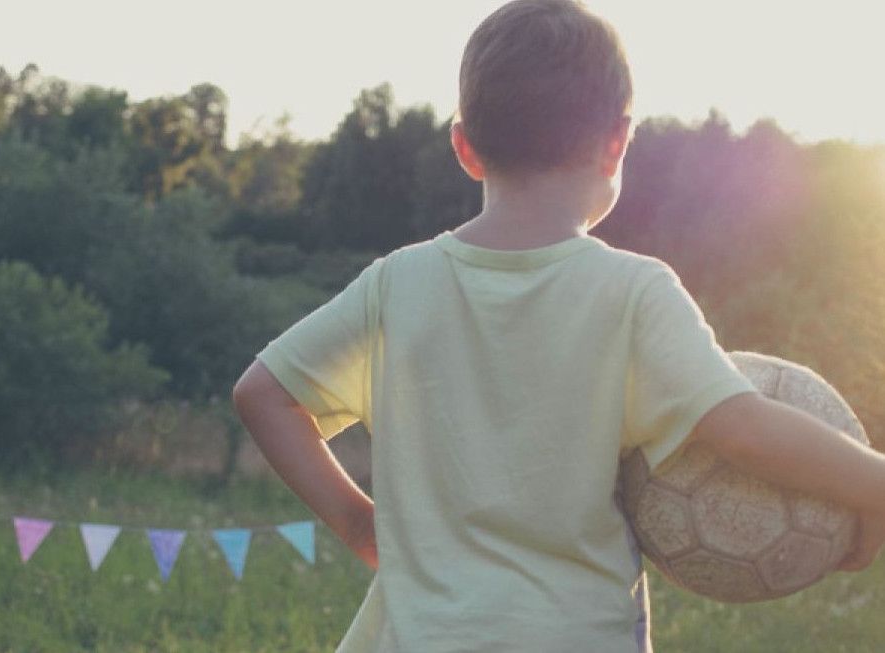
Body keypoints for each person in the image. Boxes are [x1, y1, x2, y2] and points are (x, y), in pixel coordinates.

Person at [231, 1, 885, 650]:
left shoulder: (398, 283)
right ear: (617, 140)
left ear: (464, 145)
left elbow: (263, 392)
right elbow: (741, 426)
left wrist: (358, 524)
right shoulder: (633, 291)